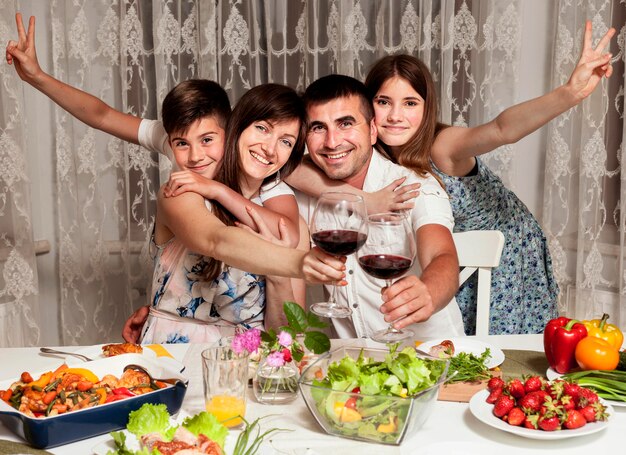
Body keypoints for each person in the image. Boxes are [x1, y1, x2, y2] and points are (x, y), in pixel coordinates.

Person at [289, 21, 615, 335]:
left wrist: (570, 93)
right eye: (383, 102)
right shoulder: (354, 152)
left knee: (501, 346)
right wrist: (364, 200)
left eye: (410, 103)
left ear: (427, 107)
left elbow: (502, 130)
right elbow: (291, 167)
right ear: (369, 113)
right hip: (459, 258)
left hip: (509, 248)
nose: (396, 116)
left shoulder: (440, 146)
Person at [139, 83, 339, 344]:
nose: (269, 149)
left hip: (246, 367)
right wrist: (296, 262)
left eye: (286, 142)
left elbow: (287, 337)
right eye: (262, 129)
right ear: (238, 125)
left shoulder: (289, 227)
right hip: (173, 358)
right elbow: (216, 240)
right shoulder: (183, 191)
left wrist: (279, 277)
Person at [297, 74, 465, 339]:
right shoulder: (304, 189)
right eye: (318, 128)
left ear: (373, 130)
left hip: (428, 354)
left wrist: (428, 293)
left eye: (346, 123)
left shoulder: (412, 186)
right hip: (354, 361)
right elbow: (277, 165)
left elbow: (442, 256)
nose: (331, 142)